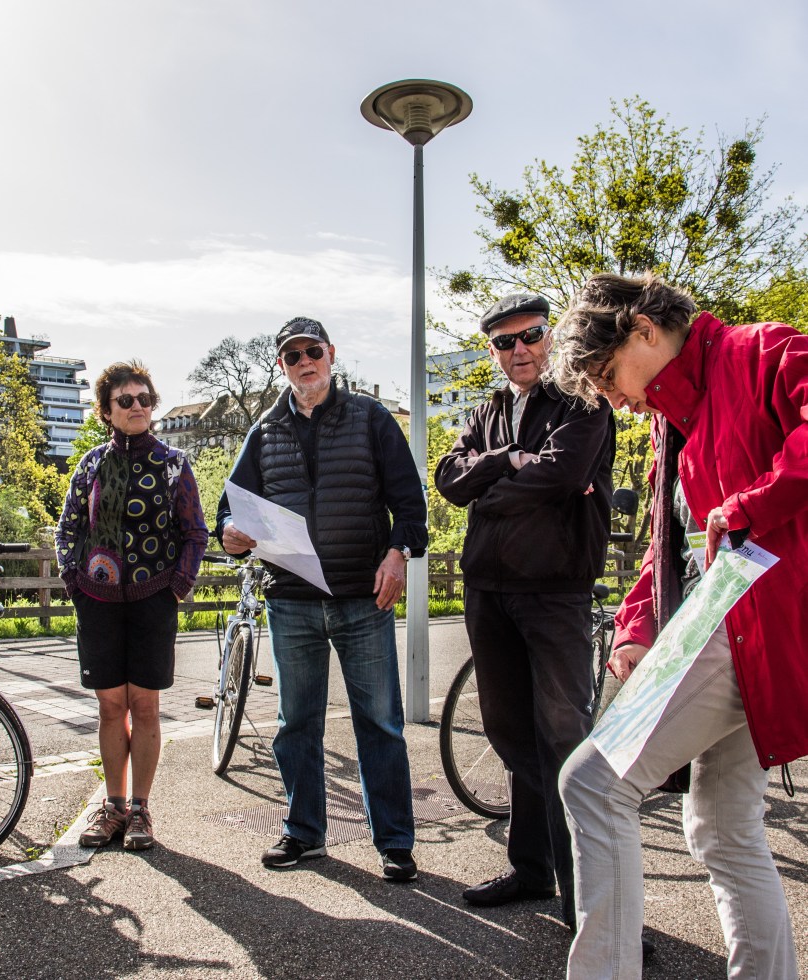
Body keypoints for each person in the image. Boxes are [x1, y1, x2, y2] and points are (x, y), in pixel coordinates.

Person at [552, 272, 806, 979]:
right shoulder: (676, 418)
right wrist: (636, 620)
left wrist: (752, 502)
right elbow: (679, 542)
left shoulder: (765, 351)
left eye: (607, 376)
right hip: (737, 619)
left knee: (593, 784)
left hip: (755, 616)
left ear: (644, 329)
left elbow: (734, 521)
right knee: (723, 828)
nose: (612, 399)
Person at [216, 316, 428, 881]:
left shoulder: (372, 418)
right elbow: (228, 510)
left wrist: (398, 552)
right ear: (282, 366)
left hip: (364, 597)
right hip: (292, 601)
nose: (304, 361)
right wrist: (231, 535)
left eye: (312, 350)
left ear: (331, 354)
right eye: (291, 355)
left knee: (380, 723)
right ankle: (304, 834)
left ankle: (394, 842)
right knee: (296, 724)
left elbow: (411, 505)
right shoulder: (263, 430)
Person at [434, 293, 615, 927]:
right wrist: (505, 462)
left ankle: (592, 905)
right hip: (488, 588)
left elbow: (562, 477)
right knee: (511, 733)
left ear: (550, 336)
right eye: (504, 342)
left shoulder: (583, 401)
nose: (519, 350)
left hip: (555, 590)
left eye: (530, 335)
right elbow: (448, 480)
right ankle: (534, 871)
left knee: (565, 742)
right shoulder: (486, 411)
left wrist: (488, 494)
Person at [56, 361, 208, 851]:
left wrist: (176, 586)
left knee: (145, 706)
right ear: (106, 411)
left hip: (152, 600)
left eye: (145, 398)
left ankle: (140, 810)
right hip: (97, 601)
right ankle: (113, 806)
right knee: (109, 707)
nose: (138, 406)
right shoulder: (91, 465)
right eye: (126, 400)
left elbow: (195, 532)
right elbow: (69, 529)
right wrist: (74, 582)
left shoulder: (173, 463)